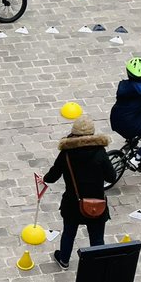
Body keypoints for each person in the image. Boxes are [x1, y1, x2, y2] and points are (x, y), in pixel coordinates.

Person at [43, 115, 116, 269]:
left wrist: (44, 178)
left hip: (72, 202)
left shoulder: (67, 153)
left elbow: (52, 176)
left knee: (69, 232)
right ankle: (97, 265)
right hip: (97, 202)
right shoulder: (100, 152)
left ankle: (63, 259)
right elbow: (112, 176)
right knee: (97, 237)